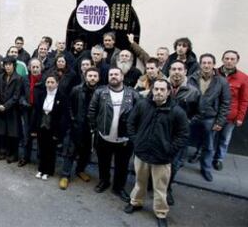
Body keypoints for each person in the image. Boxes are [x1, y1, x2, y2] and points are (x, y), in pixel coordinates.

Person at [125, 79, 189, 227]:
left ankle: (161, 213)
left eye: (162, 90)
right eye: (156, 89)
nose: (159, 92)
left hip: (162, 157)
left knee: (160, 188)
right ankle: (135, 202)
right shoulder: (142, 105)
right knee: (139, 183)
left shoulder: (177, 111)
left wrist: (170, 150)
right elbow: (130, 123)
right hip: (142, 154)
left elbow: (183, 134)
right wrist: (136, 141)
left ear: (168, 92)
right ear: (152, 90)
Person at [88, 67, 140, 202]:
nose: (113, 76)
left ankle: (119, 187)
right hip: (104, 136)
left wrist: (133, 134)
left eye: (116, 74)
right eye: (111, 74)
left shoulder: (132, 94)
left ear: (122, 77)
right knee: (103, 163)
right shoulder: (100, 92)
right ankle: (104, 181)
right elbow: (92, 110)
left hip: (124, 138)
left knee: (122, 166)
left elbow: (139, 115)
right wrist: (94, 127)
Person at [187, 53, 230, 182]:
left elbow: (225, 103)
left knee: (209, 146)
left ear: (214, 64)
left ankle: (205, 169)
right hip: (192, 116)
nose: (206, 65)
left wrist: (220, 121)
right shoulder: (191, 78)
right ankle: (176, 165)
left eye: (209, 63)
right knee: (182, 141)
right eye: (204, 62)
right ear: (200, 64)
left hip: (209, 118)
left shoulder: (221, 81)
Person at [59, 67, 100, 190]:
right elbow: (69, 106)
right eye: (90, 76)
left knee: (86, 152)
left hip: (91, 128)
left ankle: (80, 170)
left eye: (95, 76)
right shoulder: (76, 90)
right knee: (70, 152)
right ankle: (65, 175)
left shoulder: (101, 92)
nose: (92, 78)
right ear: (85, 76)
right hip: (75, 127)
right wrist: (72, 120)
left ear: (98, 78)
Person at [166, 60, 200, 206]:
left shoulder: (193, 92)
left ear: (185, 72)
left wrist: (187, 123)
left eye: (180, 69)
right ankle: (154, 184)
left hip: (179, 136)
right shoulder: (161, 87)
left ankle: (167, 189)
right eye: (173, 69)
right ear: (169, 71)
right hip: (161, 132)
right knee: (156, 161)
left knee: (174, 164)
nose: (176, 72)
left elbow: (199, 113)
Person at [214, 50, 248, 170]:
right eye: (227, 58)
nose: (229, 61)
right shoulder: (214, 73)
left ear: (237, 61)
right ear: (222, 59)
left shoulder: (243, 78)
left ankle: (219, 159)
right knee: (209, 136)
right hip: (213, 113)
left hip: (230, 116)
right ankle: (202, 154)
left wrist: (240, 117)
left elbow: (244, 100)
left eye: (232, 59)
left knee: (224, 139)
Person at [31, 73, 67, 180]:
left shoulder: (61, 96)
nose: (50, 85)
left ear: (57, 84)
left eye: (52, 82)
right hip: (42, 125)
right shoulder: (41, 94)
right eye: (48, 82)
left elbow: (63, 117)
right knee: (41, 149)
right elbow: (36, 112)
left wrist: (58, 133)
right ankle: (41, 169)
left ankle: (48, 171)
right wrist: (33, 128)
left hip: (53, 127)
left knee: (50, 150)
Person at [0, 57, 22, 163]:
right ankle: (3, 152)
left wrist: (5, 106)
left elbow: (16, 96)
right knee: (1, 133)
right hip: (0, 109)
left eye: (10, 64)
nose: (7, 66)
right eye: (6, 65)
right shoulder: (1, 76)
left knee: (13, 134)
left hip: (12, 110)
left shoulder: (18, 78)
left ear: (14, 65)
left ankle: (13, 155)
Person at [17, 58, 43, 167]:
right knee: (27, 136)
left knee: (41, 137)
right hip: (28, 111)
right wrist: (23, 101)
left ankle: (40, 159)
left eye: (37, 67)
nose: (35, 69)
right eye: (33, 67)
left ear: (41, 68)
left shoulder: (45, 79)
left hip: (41, 113)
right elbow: (20, 93)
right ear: (29, 68)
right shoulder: (24, 79)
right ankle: (25, 157)